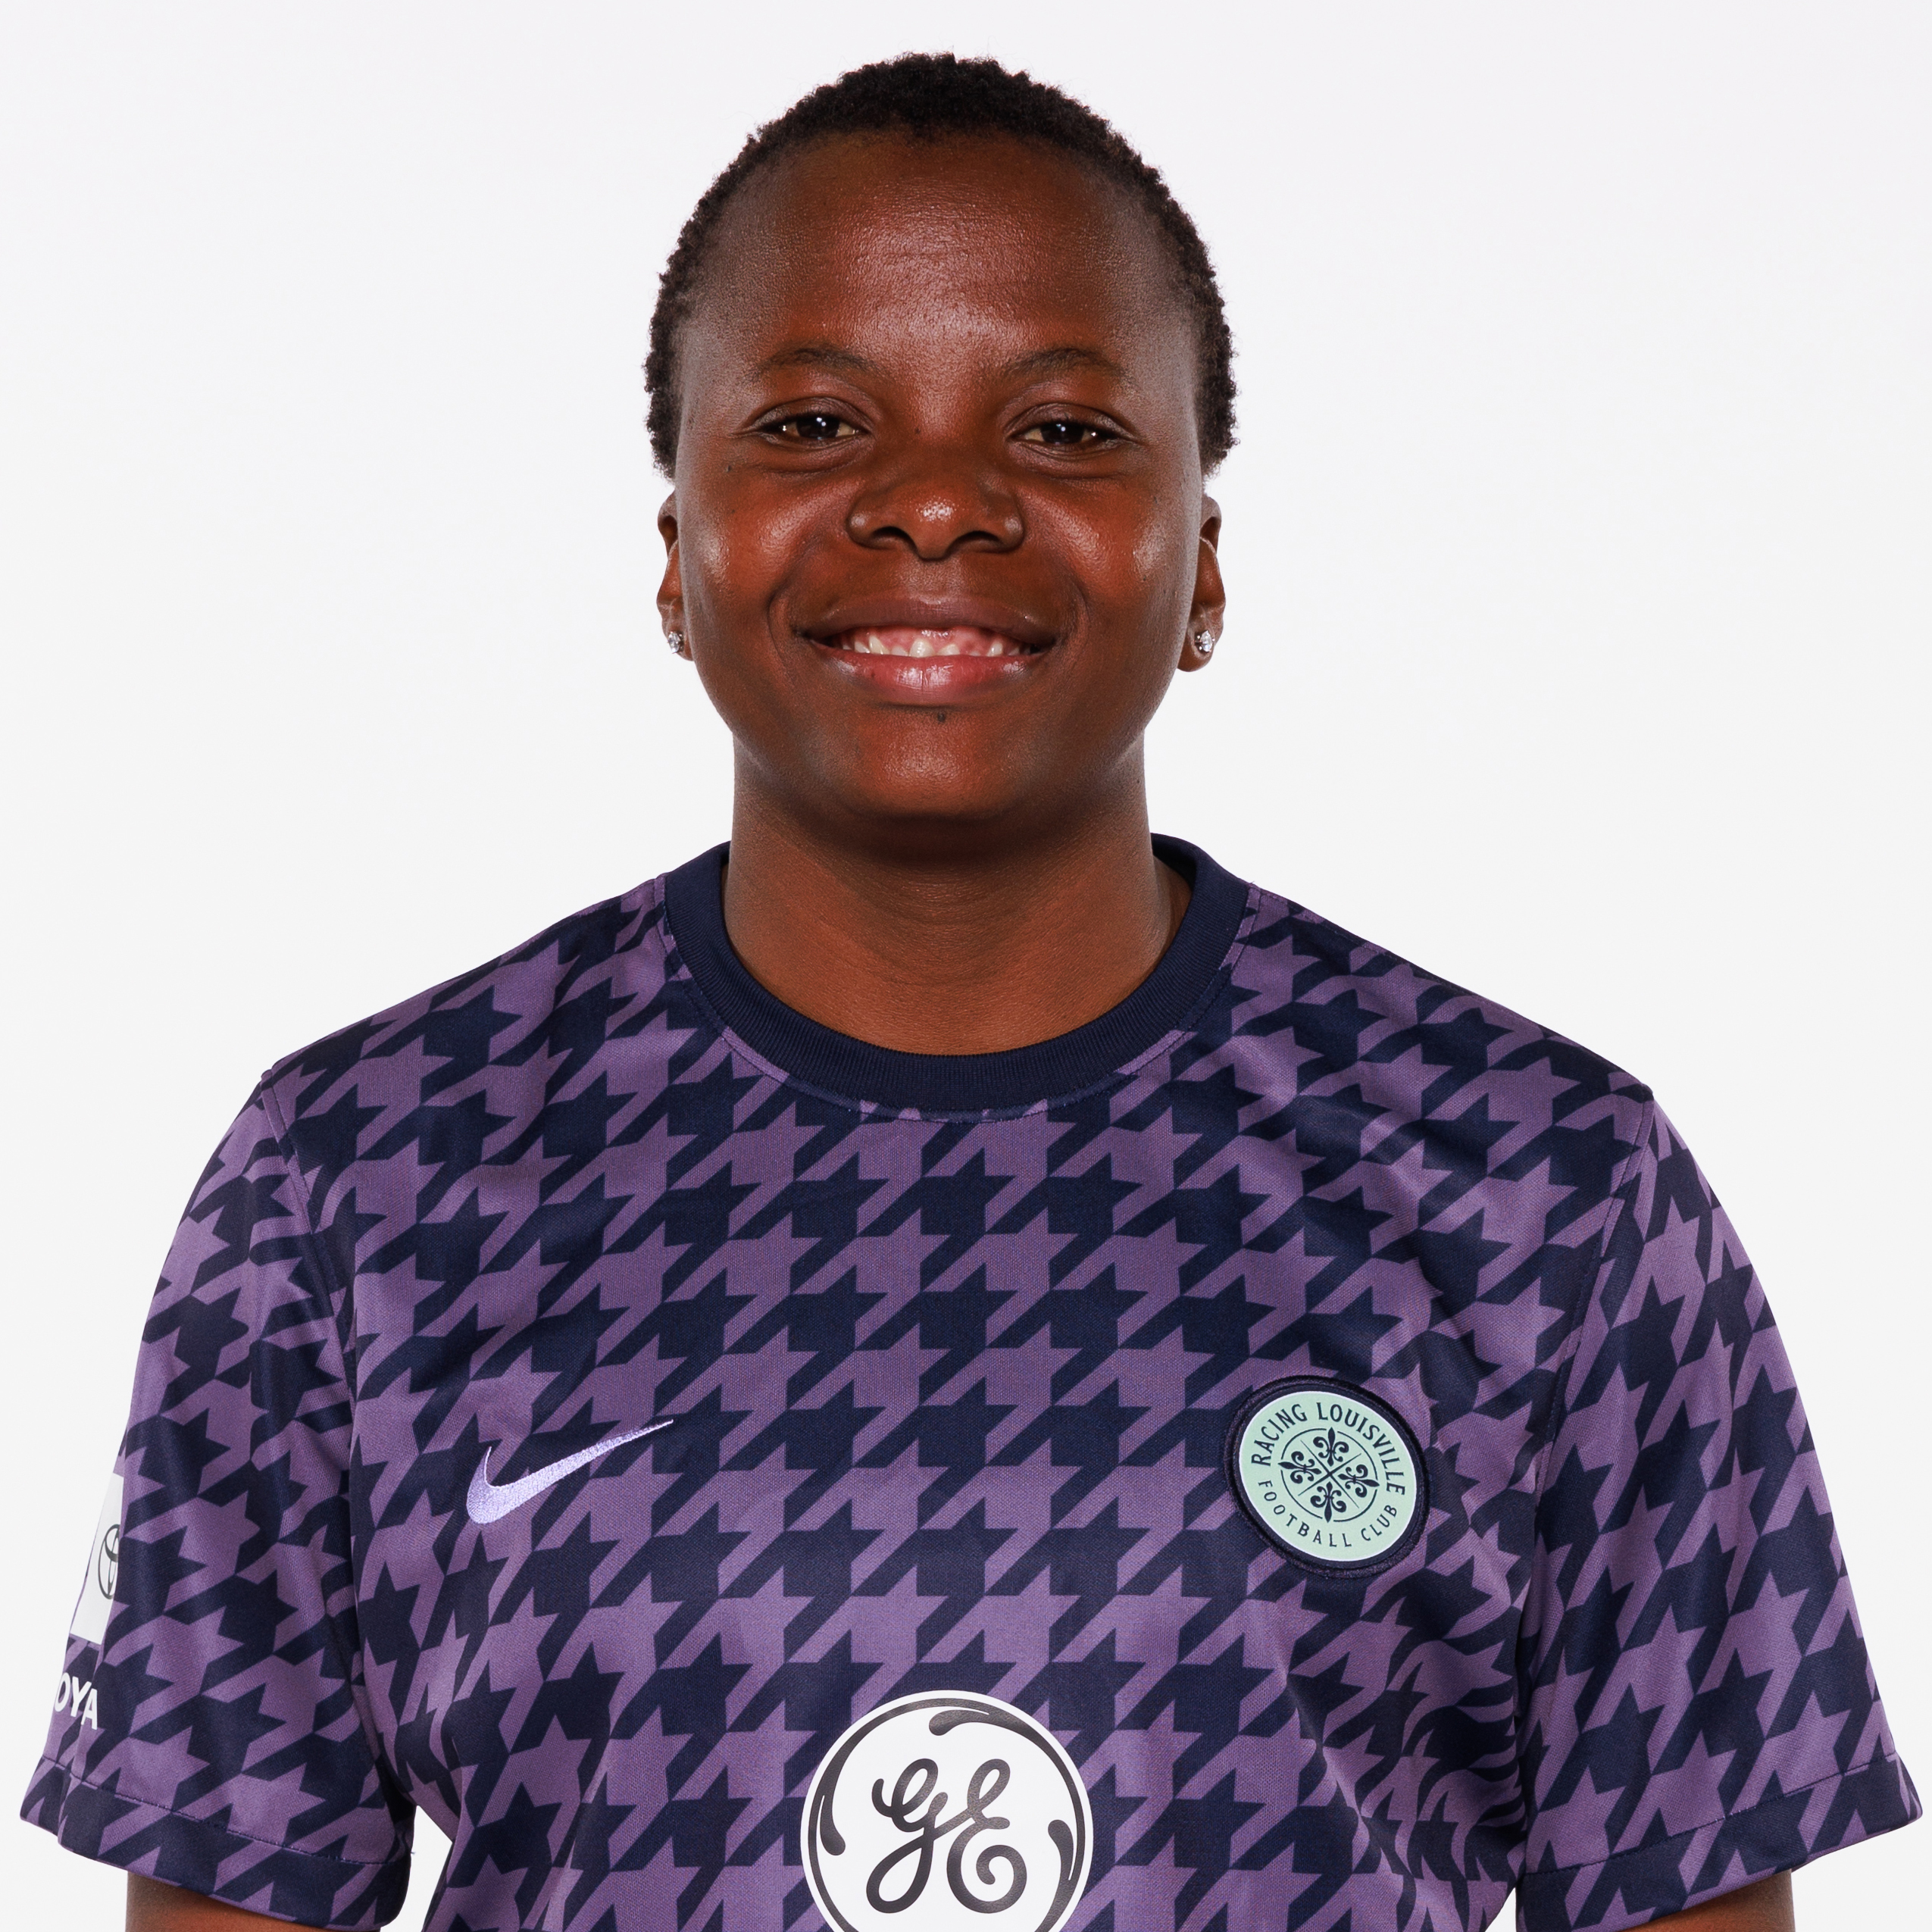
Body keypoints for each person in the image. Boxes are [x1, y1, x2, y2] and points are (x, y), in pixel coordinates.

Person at [23, 52, 1917, 1932]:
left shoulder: (1548, 1195)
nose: (936, 503)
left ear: (1204, 567)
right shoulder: (361, 1182)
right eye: (813, 423)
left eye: (1067, 431)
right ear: (676, 556)